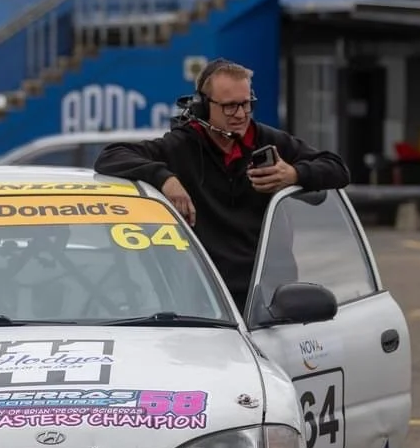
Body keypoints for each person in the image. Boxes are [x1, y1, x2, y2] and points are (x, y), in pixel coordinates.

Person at [94, 57, 350, 314]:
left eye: (246, 104)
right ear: (203, 108)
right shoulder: (181, 146)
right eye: (229, 107)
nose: (240, 114)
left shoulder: (270, 140)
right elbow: (110, 156)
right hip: (206, 297)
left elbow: (338, 168)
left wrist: (293, 174)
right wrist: (165, 178)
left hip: (269, 296)